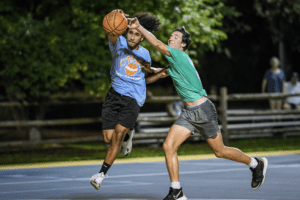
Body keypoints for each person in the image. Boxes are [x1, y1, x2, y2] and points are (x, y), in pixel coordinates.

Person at [128, 19, 268, 200]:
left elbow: (156, 44)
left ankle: (256, 164)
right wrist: (139, 76)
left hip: (203, 110)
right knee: (168, 146)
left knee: (220, 151)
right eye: (171, 35)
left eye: (176, 36)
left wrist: (139, 27)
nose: (171, 37)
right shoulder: (174, 63)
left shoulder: (179, 56)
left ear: (183, 44)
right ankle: (176, 191)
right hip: (188, 114)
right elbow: (159, 74)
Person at [90, 9, 162, 190]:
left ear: (142, 37)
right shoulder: (117, 42)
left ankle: (101, 175)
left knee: (116, 138)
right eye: (130, 32)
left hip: (133, 99)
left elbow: (148, 70)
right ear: (126, 31)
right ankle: (129, 135)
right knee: (108, 138)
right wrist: (118, 17)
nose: (132, 37)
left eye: (137, 34)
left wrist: (163, 72)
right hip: (113, 95)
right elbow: (112, 29)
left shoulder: (145, 53)